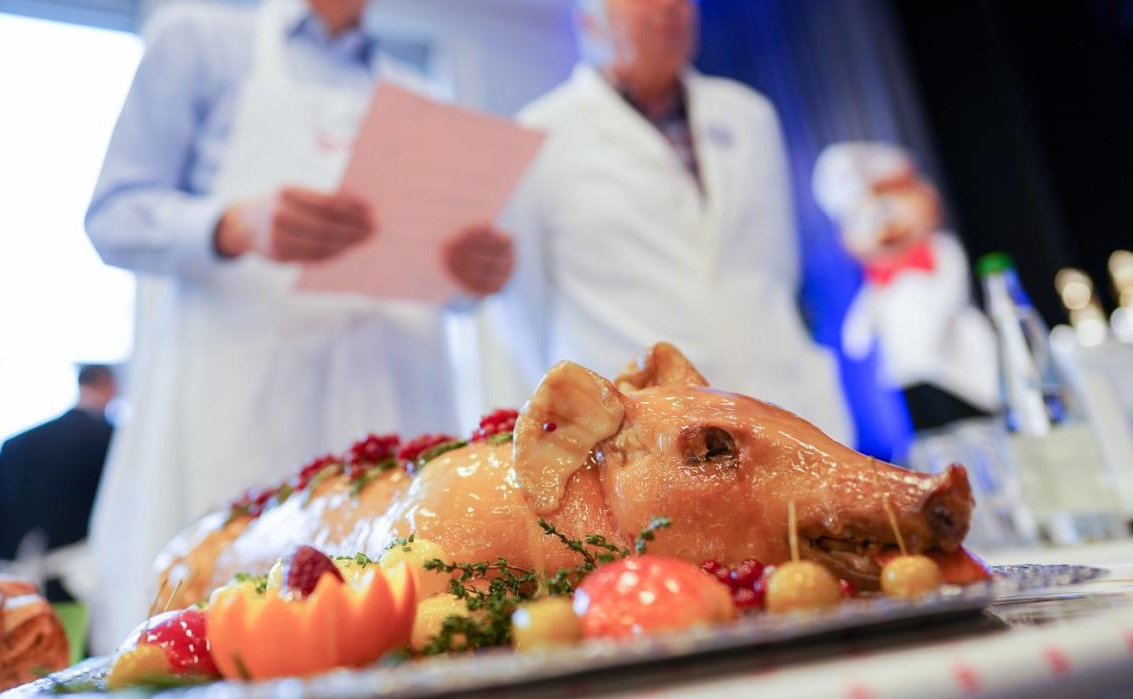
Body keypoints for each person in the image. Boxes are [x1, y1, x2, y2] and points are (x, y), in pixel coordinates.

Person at [84, 0, 513, 651]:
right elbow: (112, 215)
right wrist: (230, 224)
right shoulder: (200, 41)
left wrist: (471, 273)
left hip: (390, 405)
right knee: (221, 635)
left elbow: (441, 282)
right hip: (242, 412)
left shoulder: (418, 94)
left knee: (407, 632)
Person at [480, 0, 850, 441]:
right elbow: (525, 310)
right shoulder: (537, 136)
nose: (671, 7)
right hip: (640, 433)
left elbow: (777, 265)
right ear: (590, 22)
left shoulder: (749, 116)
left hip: (781, 401)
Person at [812, 141, 998, 430]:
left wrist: (934, 323)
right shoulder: (879, 280)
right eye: (862, 219)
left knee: (975, 421)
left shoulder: (940, 250)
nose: (882, 227)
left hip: (957, 362)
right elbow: (864, 318)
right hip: (906, 370)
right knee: (931, 432)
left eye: (887, 209)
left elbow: (949, 291)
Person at [0, 365, 117, 602]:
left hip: (11, 590)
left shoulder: (16, 444)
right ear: (110, 386)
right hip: (77, 590)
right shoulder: (111, 440)